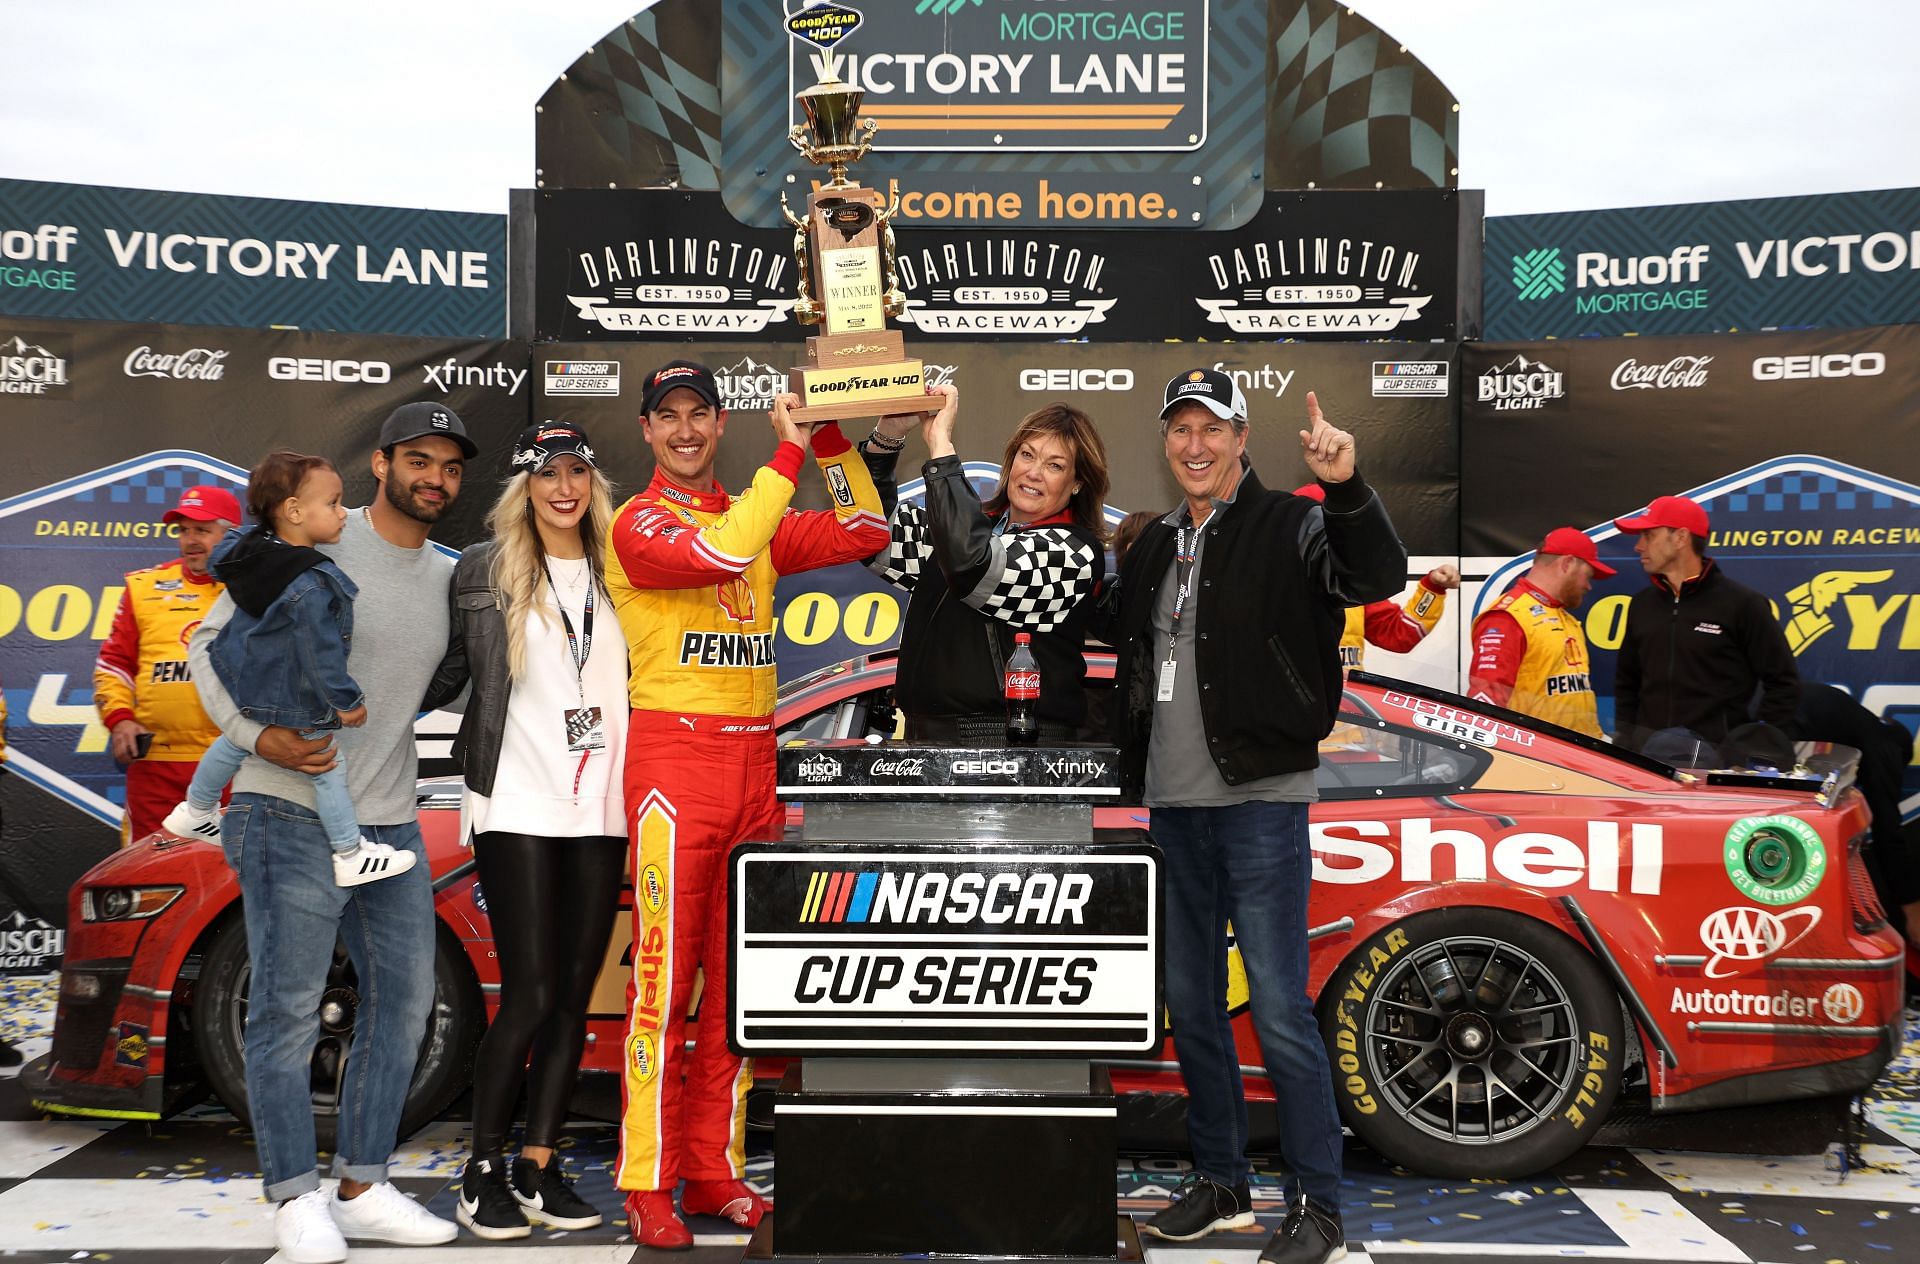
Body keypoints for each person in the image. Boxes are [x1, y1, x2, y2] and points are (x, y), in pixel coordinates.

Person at [1097, 369, 1406, 1264]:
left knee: (1277, 1009)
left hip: (1261, 802)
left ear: (1241, 441)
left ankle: (1319, 1206)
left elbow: (1374, 573)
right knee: (1191, 1005)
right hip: (1173, 806)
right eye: (1179, 429)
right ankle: (1223, 1181)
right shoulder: (1153, 543)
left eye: (1212, 429)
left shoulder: (1295, 522)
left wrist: (1346, 486)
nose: (1194, 446)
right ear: (1166, 443)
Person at [603, 360, 889, 1249]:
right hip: (673, 765)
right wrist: (787, 452)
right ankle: (646, 1179)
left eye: (700, 414)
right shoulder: (635, 521)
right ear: (648, 431)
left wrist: (832, 432)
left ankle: (712, 1167)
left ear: (719, 423)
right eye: (669, 416)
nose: (686, 430)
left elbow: (865, 528)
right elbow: (725, 551)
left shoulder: (754, 515)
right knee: (659, 988)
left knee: (735, 993)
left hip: (755, 766)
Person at [188, 402, 475, 1264]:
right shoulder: (308, 535)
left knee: (406, 1007)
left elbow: (448, 689)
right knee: (283, 1012)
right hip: (283, 811)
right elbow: (206, 645)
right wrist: (253, 736)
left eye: (452, 467)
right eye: (418, 460)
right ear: (380, 465)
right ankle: (291, 1199)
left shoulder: (451, 576)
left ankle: (360, 1185)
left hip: (389, 822)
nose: (435, 478)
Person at [433, 422, 627, 1240]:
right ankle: (482, 1168)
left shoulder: (627, 570)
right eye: (546, 472)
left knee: (573, 998)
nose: (563, 486)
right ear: (523, 485)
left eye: (577, 470)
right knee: (531, 991)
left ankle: (538, 1165)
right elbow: (438, 674)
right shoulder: (485, 570)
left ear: (593, 482)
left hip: (603, 806)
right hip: (514, 801)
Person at [160, 453, 412, 887]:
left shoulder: (253, 552)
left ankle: (195, 809)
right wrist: (345, 701)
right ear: (294, 511)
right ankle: (349, 852)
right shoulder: (311, 582)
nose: (342, 514)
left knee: (234, 743)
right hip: (291, 692)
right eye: (333, 504)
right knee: (328, 765)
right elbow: (322, 652)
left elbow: (225, 554)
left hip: (247, 679)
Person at [867, 386, 1109, 741]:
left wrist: (941, 448)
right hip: (928, 742)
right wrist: (887, 438)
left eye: (1055, 465)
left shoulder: (1074, 551)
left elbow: (972, 567)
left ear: (1076, 484)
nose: (1034, 472)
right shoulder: (971, 531)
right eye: (1027, 455)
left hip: (1009, 747)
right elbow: (870, 537)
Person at [94, 484, 239, 842]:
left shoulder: (254, 591)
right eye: (184, 530)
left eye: (202, 530)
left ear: (230, 533)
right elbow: (114, 664)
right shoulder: (144, 587)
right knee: (147, 872)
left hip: (235, 760)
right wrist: (120, 719)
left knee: (234, 872)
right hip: (156, 763)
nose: (191, 540)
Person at [1612, 495, 1799, 765]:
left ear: (1680, 538)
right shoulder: (1641, 604)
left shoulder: (1743, 604)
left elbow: (1783, 683)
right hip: (1648, 762)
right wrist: (1627, 741)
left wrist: (1751, 746)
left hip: (1716, 764)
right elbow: (1626, 682)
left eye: (1648, 535)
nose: (1639, 546)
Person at [1293, 484, 1457, 672]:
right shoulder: (1272, 583)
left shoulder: (1350, 583)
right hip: (1294, 699)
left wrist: (1432, 588)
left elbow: (1399, 633)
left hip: (1346, 698)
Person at [1466, 527, 1612, 737]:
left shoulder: (1567, 619)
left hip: (1579, 758)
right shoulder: (1509, 617)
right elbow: (1486, 704)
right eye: (1587, 575)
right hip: (1538, 760)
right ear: (1567, 563)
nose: (1588, 586)